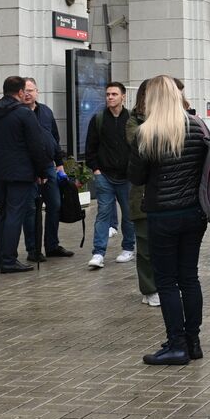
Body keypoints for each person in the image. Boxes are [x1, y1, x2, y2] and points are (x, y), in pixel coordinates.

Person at [128, 75, 210, 365]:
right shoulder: (198, 126)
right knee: (189, 277)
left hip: (162, 214)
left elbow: (136, 177)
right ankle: (193, 341)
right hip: (195, 213)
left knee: (166, 280)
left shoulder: (145, 132)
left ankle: (176, 344)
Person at [0, 75, 54, 273]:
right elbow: (36, 145)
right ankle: (9, 260)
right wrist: (41, 171)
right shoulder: (24, 113)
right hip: (21, 172)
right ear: (21, 92)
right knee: (15, 214)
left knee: (3, 213)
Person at [20, 77, 74, 260]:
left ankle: (52, 245)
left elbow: (55, 139)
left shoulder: (46, 112)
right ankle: (33, 250)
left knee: (55, 205)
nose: (28, 94)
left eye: (31, 90)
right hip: (28, 169)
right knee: (32, 210)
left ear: (37, 92)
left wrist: (60, 166)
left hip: (49, 167)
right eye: (24, 90)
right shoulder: (17, 113)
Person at [85, 81, 135, 269]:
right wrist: (96, 170)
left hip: (128, 177)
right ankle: (98, 253)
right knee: (103, 214)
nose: (110, 97)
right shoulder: (98, 119)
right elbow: (90, 148)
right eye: (108, 94)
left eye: (114, 94)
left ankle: (128, 248)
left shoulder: (132, 119)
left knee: (129, 214)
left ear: (123, 96)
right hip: (104, 175)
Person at [126, 79, 160, 306]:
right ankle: (149, 288)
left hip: (164, 194)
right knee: (146, 246)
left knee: (163, 245)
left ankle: (164, 284)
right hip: (141, 195)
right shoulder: (133, 122)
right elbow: (141, 143)